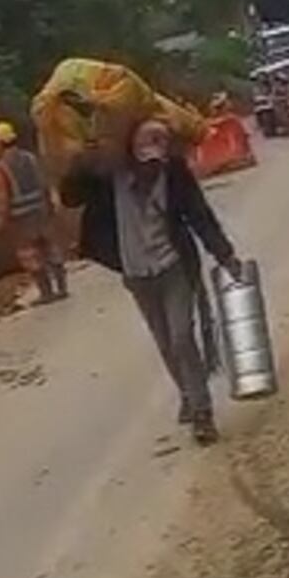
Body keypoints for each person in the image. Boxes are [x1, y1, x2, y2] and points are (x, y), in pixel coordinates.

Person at [60, 119, 243, 445]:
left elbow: (199, 215)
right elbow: (70, 197)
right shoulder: (109, 175)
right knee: (165, 342)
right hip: (137, 274)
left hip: (174, 267)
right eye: (145, 160)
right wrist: (82, 161)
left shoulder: (173, 173)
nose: (151, 168)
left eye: (158, 158)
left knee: (182, 337)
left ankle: (202, 411)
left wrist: (225, 255)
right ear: (131, 153)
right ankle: (187, 392)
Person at [0, 121, 68, 305]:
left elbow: (3, 198)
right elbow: (44, 183)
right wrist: (49, 206)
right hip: (41, 213)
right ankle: (62, 288)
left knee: (31, 256)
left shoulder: (1, 168)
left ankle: (46, 293)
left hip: (21, 220)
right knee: (51, 249)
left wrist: (2, 221)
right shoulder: (30, 158)